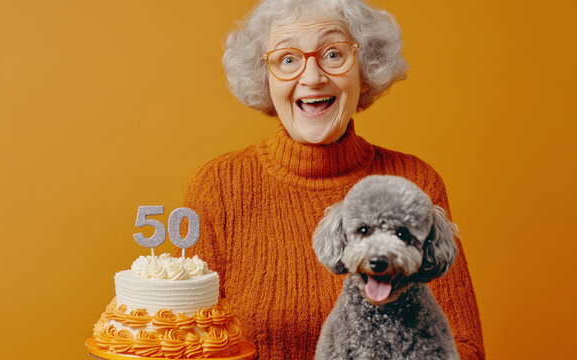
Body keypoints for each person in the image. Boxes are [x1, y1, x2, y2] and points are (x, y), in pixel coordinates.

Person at [181, 0, 485, 358]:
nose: (312, 77)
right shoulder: (219, 186)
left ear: (364, 68)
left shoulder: (414, 184)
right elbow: (186, 340)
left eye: (333, 54)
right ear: (265, 76)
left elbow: (463, 348)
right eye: (288, 59)